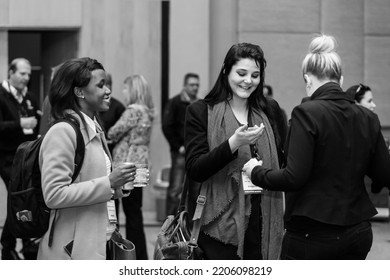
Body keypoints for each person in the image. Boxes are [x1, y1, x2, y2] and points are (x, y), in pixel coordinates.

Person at [243, 34, 390, 260]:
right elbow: (382, 174)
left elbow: (294, 177)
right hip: (358, 233)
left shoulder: (306, 113)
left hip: (312, 235)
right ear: (340, 80)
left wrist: (256, 172)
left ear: (307, 79)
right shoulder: (367, 117)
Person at [185, 43, 286, 260]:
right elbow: (196, 169)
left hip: (263, 221)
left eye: (255, 75)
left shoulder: (270, 111)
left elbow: (283, 162)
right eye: (241, 73)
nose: (248, 81)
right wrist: (233, 143)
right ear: (226, 71)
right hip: (218, 227)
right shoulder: (201, 111)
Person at [38, 57, 136, 260]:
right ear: (79, 92)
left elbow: (89, 180)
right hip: (71, 251)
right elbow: (54, 195)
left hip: (97, 240)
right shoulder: (63, 131)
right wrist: (109, 182)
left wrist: (119, 186)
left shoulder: (93, 128)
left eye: (107, 84)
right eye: (101, 85)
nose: (108, 90)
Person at [108, 74, 154, 260]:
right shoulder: (147, 111)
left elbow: (113, 131)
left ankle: (120, 254)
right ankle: (140, 256)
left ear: (134, 90)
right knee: (135, 213)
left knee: (119, 212)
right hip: (140, 165)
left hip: (125, 166)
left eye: (126, 88)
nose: (123, 92)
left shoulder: (132, 111)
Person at [0, 58, 40, 260]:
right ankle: (10, 246)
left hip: (28, 156)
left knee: (22, 198)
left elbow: (37, 122)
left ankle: (15, 246)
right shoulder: (1, 95)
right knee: (19, 196)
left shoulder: (30, 97)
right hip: (6, 157)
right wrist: (19, 123)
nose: (26, 78)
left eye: (28, 75)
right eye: (22, 74)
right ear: (11, 72)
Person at [162, 73, 200, 216]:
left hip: (196, 153)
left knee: (196, 190)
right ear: (185, 85)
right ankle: (169, 225)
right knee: (175, 189)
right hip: (180, 152)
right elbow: (167, 126)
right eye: (192, 85)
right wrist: (178, 146)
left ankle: (189, 227)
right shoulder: (175, 102)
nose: (195, 88)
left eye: (197, 85)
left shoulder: (200, 104)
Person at [98, 73, 126, 152]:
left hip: (112, 150)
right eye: (101, 85)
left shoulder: (118, 107)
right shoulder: (92, 106)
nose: (107, 88)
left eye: (108, 84)